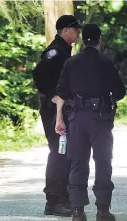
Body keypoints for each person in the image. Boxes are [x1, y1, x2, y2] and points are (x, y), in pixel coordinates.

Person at [55, 24, 126, 221]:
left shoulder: (71, 63)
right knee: (103, 161)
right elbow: (120, 92)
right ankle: (103, 210)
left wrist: (59, 119)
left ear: (82, 39)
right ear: (99, 40)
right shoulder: (105, 63)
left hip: (76, 118)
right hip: (100, 119)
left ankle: (78, 211)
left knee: (78, 162)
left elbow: (61, 91)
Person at [32, 14, 82, 217]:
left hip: (63, 110)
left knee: (65, 153)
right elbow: (39, 74)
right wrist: (52, 95)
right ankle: (53, 201)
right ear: (66, 30)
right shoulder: (55, 51)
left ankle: (64, 198)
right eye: (76, 29)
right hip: (53, 112)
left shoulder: (64, 50)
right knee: (58, 153)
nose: (78, 33)